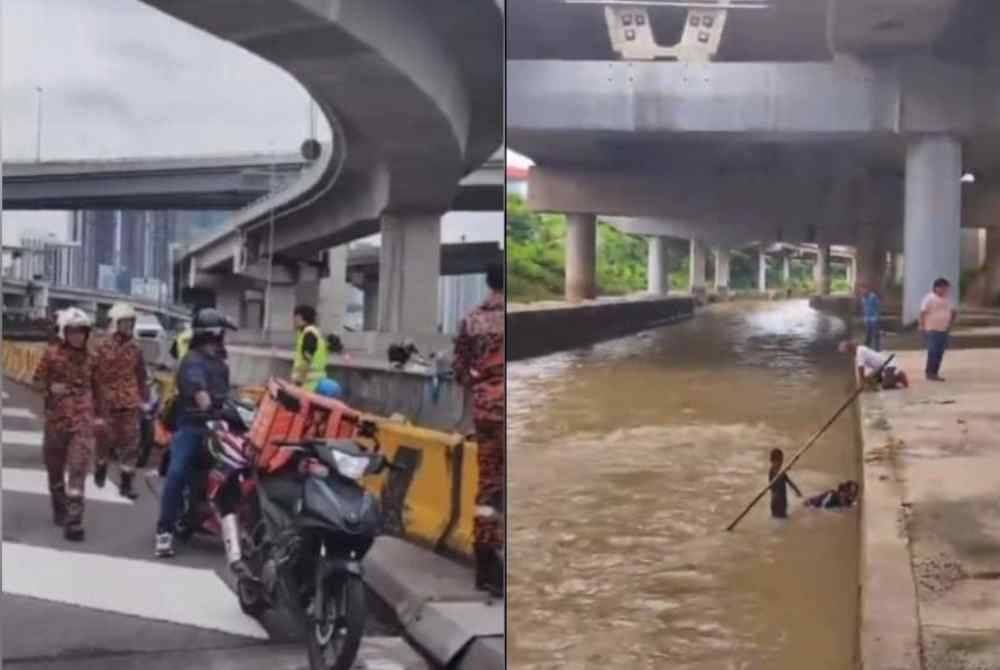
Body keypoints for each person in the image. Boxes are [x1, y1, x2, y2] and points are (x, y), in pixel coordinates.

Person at [155, 308, 236, 558]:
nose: (223, 338)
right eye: (221, 333)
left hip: (218, 427)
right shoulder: (192, 360)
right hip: (193, 426)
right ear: (213, 334)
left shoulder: (221, 364)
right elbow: (200, 392)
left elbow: (226, 396)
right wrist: (208, 406)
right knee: (177, 473)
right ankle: (164, 532)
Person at [453, 262, 505, 595]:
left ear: (488, 283)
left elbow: (460, 371)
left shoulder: (471, 320)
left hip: (486, 412)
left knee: (488, 487)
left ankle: (486, 563)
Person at [32, 308, 105, 541]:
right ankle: (59, 508)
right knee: (55, 471)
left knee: (77, 469)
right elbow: (36, 382)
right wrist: (50, 388)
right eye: (72, 331)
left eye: (81, 331)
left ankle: (74, 521)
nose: (77, 336)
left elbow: (100, 390)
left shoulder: (93, 358)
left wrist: (100, 418)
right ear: (64, 332)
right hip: (56, 423)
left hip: (82, 424)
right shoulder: (51, 355)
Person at [94, 303, 150, 499]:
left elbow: (141, 376)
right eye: (125, 322)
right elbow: (91, 373)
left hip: (129, 403)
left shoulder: (136, 348)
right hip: (106, 404)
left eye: (131, 322)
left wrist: (145, 400)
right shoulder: (100, 346)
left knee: (130, 445)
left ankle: (126, 484)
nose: (128, 326)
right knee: (104, 442)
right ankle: (101, 466)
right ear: (115, 323)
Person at [920, 277, 957, 382]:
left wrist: (950, 323)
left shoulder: (948, 299)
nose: (945, 290)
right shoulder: (929, 298)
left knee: (940, 352)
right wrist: (922, 326)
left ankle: (935, 372)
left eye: (946, 288)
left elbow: (953, 311)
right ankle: (929, 372)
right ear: (936, 288)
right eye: (943, 288)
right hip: (932, 329)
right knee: (933, 351)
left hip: (944, 329)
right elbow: (922, 312)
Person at [839, 339, 909, 390]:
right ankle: (889, 379)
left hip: (889, 365)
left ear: (850, 349)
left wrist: (861, 383)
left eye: (846, 352)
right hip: (880, 369)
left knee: (886, 386)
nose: (847, 354)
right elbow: (865, 372)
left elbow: (861, 369)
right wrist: (867, 381)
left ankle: (899, 376)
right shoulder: (857, 355)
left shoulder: (860, 351)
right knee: (869, 380)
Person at [291, 305, 328, 393]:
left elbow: (307, 359)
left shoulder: (308, 334)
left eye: (294, 317)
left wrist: (299, 381)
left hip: (308, 384)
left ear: (299, 317)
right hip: (316, 381)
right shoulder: (315, 333)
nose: (293, 321)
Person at [768, 448, 802, 519]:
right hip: (777, 501)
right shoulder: (772, 471)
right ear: (772, 461)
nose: (781, 463)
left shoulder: (781, 472)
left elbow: (789, 482)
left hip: (782, 501)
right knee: (780, 519)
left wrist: (797, 491)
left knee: (783, 519)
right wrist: (785, 469)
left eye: (781, 461)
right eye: (779, 461)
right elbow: (776, 476)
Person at [859, 283, 882, 351]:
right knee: (868, 334)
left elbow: (878, 306)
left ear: (867, 289)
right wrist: (865, 317)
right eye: (861, 290)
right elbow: (864, 308)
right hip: (867, 318)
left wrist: (876, 317)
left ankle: (877, 349)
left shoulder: (873, 296)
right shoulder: (863, 298)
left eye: (863, 289)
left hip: (874, 318)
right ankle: (866, 348)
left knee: (875, 334)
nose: (862, 291)